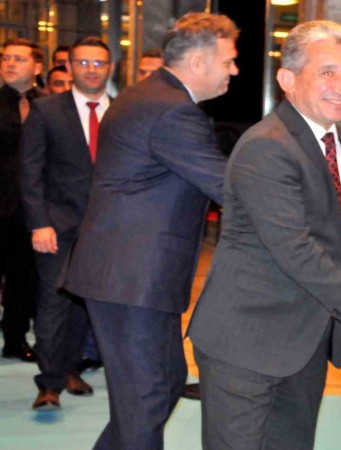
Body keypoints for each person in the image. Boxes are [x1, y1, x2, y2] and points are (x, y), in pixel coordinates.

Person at [187, 20, 341, 449]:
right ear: (287, 80)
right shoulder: (267, 146)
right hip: (245, 341)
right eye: (327, 72)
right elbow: (294, 248)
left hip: (306, 341)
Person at [62, 12, 237, 449]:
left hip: (130, 276)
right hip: (131, 279)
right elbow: (227, 186)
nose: (234, 70)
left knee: (163, 383)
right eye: (228, 60)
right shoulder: (172, 110)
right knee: (145, 399)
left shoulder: (151, 96)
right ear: (198, 62)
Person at [21, 36, 113, 410]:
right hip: (55, 227)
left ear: (110, 68)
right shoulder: (46, 110)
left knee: (85, 306)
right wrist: (39, 223)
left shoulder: (122, 112)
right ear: (70, 66)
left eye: (98, 63)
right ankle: (49, 383)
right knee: (54, 304)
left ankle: (72, 368)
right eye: (83, 63)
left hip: (105, 230)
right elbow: (30, 171)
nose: (91, 69)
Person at [0, 38, 44, 363]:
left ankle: (15, 341)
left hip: (30, 210)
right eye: (6, 58)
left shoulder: (50, 106)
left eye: (19, 59)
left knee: (23, 280)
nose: (10, 63)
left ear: (37, 67)